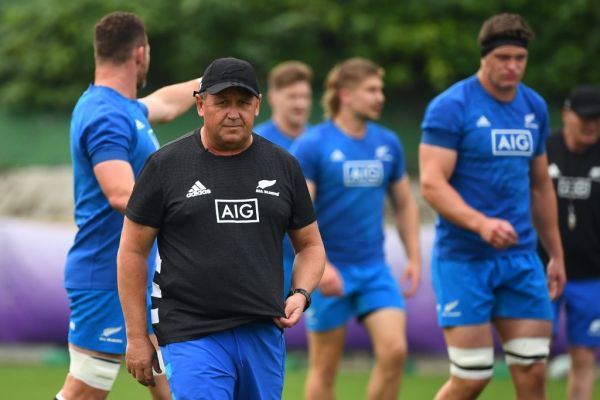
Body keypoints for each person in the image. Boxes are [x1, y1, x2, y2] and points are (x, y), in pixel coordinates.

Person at [117, 57, 326, 400]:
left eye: (242, 103)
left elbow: (311, 246)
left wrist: (301, 294)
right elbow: (132, 250)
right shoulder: (165, 166)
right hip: (190, 332)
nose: (233, 112)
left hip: (263, 330)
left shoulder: (284, 165)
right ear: (200, 104)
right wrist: (137, 336)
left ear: (257, 105)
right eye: (222, 102)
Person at [419, 13, 566, 400]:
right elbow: (432, 184)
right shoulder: (451, 106)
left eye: (520, 58)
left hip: (520, 261)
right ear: (484, 56)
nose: (513, 66)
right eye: (504, 57)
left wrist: (555, 255)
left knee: (534, 373)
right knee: (472, 377)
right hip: (464, 260)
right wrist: (481, 223)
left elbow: (540, 187)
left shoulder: (534, 105)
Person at [58, 11, 200, 400]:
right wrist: (191, 210)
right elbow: (121, 194)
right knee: (85, 392)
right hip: (105, 276)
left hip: (138, 278)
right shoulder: (106, 115)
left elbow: (165, 104)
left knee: (175, 387)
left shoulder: (124, 109)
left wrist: (208, 84)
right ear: (140, 53)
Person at [291, 57, 421, 400]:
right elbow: (298, 214)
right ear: (346, 95)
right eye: (372, 90)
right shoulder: (314, 144)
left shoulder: (388, 143)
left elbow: (405, 203)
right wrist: (322, 266)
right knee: (325, 367)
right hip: (329, 271)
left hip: (375, 269)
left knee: (395, 352)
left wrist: (414, 257)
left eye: (381, 90)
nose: (381, 97)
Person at [543, 85, 600, 400]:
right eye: (585, 118)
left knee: (584, 358)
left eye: (597, 119)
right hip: (543, 272)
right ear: (566, 115)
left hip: (592, 275)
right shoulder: (545, 148)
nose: (592, 125)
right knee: (534, 355)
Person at [254, 60, 313, 297]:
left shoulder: (319, 142)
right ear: (273, 97)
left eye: (305, 96)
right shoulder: (255, 142)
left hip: (313, 254)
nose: (300, 104)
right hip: (270, 260)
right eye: (292, 96)